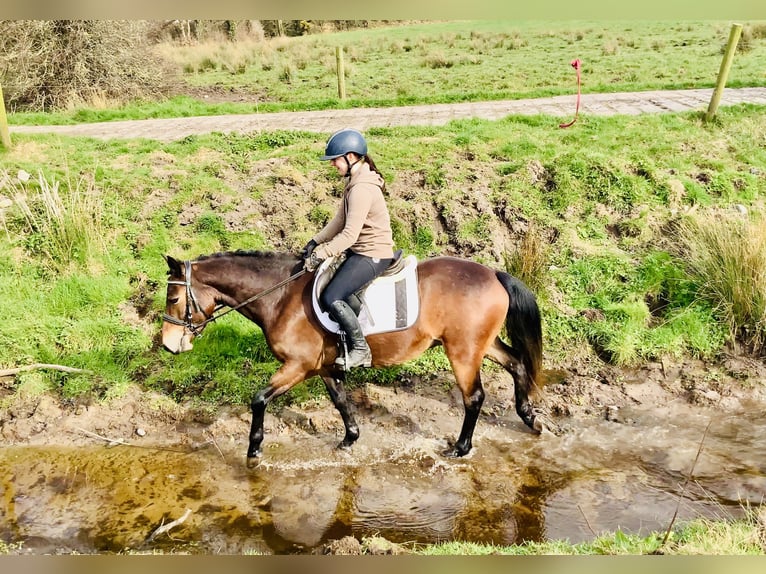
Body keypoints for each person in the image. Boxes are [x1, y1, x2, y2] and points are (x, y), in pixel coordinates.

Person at [301, 128, 395, 369]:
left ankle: (361, 350)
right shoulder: (355, 182)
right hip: (361, 251)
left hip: (372, 253)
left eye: (335, 159)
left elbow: (350, 235)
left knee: (332, 296)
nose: (333, 165)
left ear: (350, 157)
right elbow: (339, 221)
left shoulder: (362, 188)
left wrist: (321, 254)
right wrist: (315, 240)